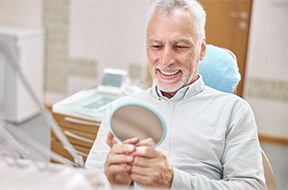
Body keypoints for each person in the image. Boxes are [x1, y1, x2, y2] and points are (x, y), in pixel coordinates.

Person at [85, 0, 266, 189]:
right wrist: (115, 183)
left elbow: (252, 186)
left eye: (179, 46)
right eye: (156, 46)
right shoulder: (120, 109)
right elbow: (89, 182)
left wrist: (173, 181)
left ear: (201, 50)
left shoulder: (233, 111)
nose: (165, 60)